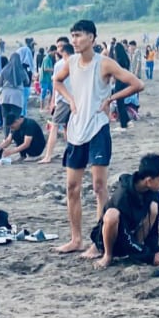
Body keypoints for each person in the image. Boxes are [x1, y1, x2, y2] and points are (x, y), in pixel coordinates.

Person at [52, 20, 145, 255]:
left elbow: (137, 83)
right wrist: (70, 100)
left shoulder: (104, 64)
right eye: (72, 36)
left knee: (98, 186)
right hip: (76, 130)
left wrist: (111, 100)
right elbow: (57, 81)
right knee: (72, 187)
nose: (74, 40)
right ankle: (76, 239)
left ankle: (99, 242)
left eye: (79, 35)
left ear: (92, 38)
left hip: (98, 128)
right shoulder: (70, 62)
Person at [85, 153, 159, 270]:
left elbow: (154, 230)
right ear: (148, 180)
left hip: (131, 235)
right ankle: (107, 255)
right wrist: (149, 257)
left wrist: (154, 251)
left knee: (153, 208)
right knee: (112, 215)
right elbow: (123, 234)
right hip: (113, 236)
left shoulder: (153, 192)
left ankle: (138, 249)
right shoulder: (123, 197)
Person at [41, 42, 73, 164]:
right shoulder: (79, 62)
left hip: (63, 100)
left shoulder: (60, 64)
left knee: (54, 126)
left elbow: (56, 84)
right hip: (75, 100)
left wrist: (53, 101)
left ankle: (48, 156)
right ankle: (71, 153)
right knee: (68, 128)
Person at [0, 52, 28, 133]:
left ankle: (6, 137)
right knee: (16, 118)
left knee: (5, 117)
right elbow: (27, 82)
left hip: (5, 97)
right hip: (17, 97)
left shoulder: (5, 70)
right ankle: (13, 136)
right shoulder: (22, 71)